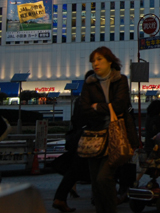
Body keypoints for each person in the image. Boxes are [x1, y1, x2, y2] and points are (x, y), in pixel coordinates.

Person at [80, 46, 139, 213]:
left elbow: (121, 105)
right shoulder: (89, 83)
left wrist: (97, 106)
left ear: (110, 61)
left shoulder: (120, 80)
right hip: (94, 137)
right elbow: (84, 109)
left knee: (103, 177)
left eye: (99, 59)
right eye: (93, 61)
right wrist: (107, 107)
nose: (95, 64)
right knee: (95, 182)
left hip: (115, 135)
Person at [52, 97, 90, 212]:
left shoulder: (79, 100)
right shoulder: (93, 99)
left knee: (75, 168)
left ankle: (60, 198)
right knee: (83, 167)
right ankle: (100, 198)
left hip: (78, 138)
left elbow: (75, 119)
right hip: (88, 139)